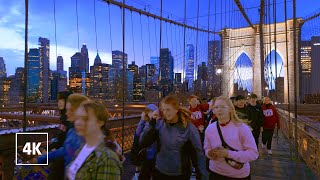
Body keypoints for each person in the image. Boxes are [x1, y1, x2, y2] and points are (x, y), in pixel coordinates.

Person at [140, 95, 208, 180]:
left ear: (176, 109)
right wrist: (151, 123)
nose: (165, 113)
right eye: (163, 110)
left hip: (180, 174)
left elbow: (198, 155)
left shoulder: (188, 128)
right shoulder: (159, 124)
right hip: (159, 171)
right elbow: (143, 142)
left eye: (168, 109)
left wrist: (202, 176)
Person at [204, 96, 258, 179]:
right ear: (213, 110)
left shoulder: (242, 128)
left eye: (222, 107)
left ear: (230, 109)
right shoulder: (210, 128)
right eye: (216, 107)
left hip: (238, 175)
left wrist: (228, 154)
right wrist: (210, 153)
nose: (219, 109)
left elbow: (253, 154)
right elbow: (206, 149)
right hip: (215, 173)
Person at [36, 94, 89, 175]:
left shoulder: (78, 132)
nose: (67, 113)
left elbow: (66, 150)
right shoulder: (73, 129)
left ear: (78, 111)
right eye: (58, 101)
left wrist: (44, 157)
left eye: (69, 110)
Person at [67, 100, 122, 180]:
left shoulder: (107, 158)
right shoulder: (82, 147)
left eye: (85, 119)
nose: (78, 123)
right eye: (77, 118)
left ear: (100, 122)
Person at [131, 104, 159, 180]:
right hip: (145, 154)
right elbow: (137, 135)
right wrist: (142, 120)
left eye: (151, 112)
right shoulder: (146, 123)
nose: (149, 114)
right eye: (148, 112)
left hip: (154, 156)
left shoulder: (157, 123)